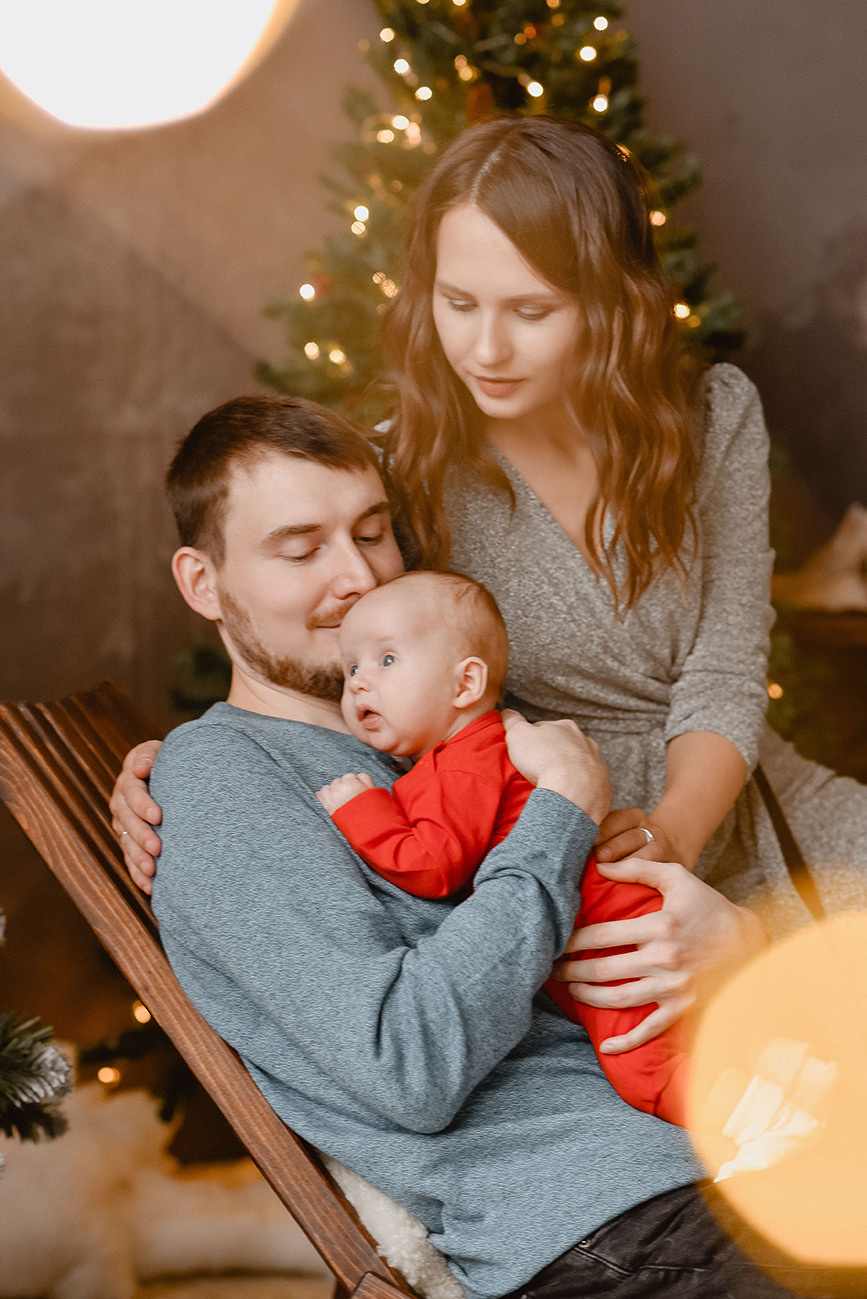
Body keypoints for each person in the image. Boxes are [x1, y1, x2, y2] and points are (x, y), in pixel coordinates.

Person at [127, 391, 856, 1298]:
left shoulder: (426, 734)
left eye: (372, 529)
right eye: (301, 548)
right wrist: (560, 812)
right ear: (203, 583)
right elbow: (406, 1065)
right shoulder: (221, 776)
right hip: (613, 1221)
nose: (354, 574)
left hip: (725, 1157)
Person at [317, 568, 688, 1124]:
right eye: (350, 668)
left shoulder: (467, 762)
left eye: (386, 660)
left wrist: (360, 809)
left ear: (465, 684)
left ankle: (761, 1118)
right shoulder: (457, 756)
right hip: (603, 933)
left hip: (615, 943)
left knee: (646, 1072)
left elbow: (433, 865)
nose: (359, 683)